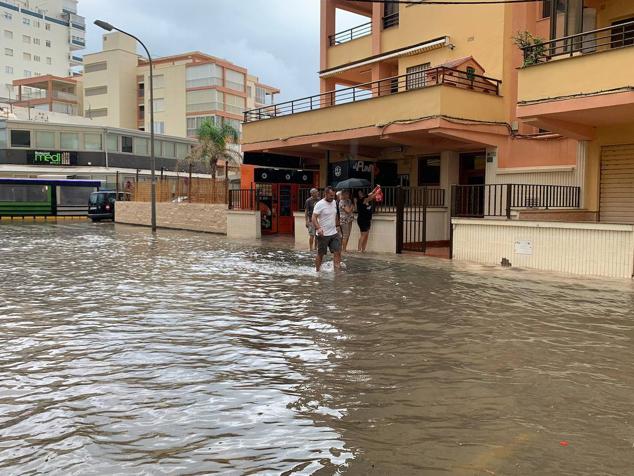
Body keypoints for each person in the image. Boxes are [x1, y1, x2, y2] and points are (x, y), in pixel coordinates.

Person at [312, 186, 341, 272]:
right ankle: (317, 271)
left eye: (333, 195)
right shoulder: (319, 204)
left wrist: (337, 226)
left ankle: (336, 271)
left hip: (334, 233)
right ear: (326, 194)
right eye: (331, 195)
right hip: (323, 234)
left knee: (337, 251)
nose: (332, 197)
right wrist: (318, 228)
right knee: (321, 254)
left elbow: (335, 215)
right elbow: (313, 218)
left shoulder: (335, 202)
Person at [356, 186, 380, 253]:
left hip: (367, 220)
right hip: (362, 220)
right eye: (359, 193)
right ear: (357, 195)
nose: (360, 194)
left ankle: (363, 250)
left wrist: (376, 188)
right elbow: (372, 197)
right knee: (363, 235)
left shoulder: (365, 198)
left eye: (361, 192)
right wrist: (378, 191)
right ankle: (359, 250)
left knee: (366, 235)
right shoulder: (361, 200)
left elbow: (371, 193)